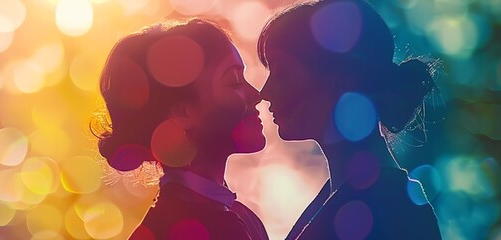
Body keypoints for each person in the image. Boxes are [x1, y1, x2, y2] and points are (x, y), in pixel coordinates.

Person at [257, 0, 442, 239]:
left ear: (340, 81)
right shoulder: (352, 197)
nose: (264, 92)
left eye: (281, 73)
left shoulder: (388, 209)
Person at [95, 18, 268, 240]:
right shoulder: (216, 228)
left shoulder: (231, 216)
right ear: (182, 113)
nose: (256, 95)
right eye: (234, 82)